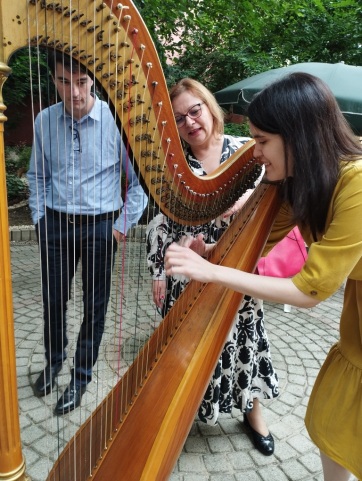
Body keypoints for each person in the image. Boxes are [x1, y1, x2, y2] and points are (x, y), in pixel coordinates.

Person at [165, 73, 362, 481]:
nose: (254, 153)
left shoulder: (356, 183)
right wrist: (210, 254)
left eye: (262, 140)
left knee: (342, 428)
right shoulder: (304, 182)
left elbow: (307, 292)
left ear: (298, 137)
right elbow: (255, 246)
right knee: (331, 425)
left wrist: (211, 271)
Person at [146, 78, 279, 456]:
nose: (190, 122)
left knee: (244, 342)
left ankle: (253, 412)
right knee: (186, 348)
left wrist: (246, 202)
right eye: (179, 118)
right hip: (190, 271)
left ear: (209, 107)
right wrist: (159, 269)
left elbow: (278, 196)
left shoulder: (247, 150)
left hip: (237, 263)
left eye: (195, 110)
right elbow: (160, 221)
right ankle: (183, 412)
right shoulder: (173, 165)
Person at [27, 51, 147, 415]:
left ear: (93, 80)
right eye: (65, 81)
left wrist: (119, 229)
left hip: (101, 229)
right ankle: (54, 362)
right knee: (53, 302)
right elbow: (37, 177)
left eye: (81, 82)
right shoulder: (44, 120)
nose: (74, 92)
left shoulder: (117, 121)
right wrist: (39, 219)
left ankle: (80, 378)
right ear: (53, 80)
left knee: (95, 308)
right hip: (56, 225)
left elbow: (138, 186)